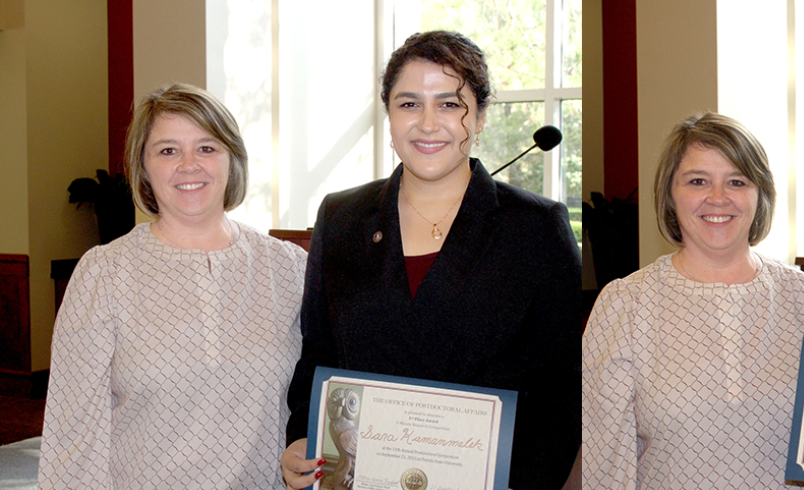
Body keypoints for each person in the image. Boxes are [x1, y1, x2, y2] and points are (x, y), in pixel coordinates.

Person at [279, 31, 581, 490]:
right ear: (389, 115)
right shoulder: (340, 217)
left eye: (449, 104)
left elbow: (562, 390)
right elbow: (318, 354)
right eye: (408, 104)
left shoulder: (536, 228)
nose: (426, 123)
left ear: (479, 117)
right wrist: (303, 436)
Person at [581, 112, 804, 490]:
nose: (718, 197)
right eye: (698, 181)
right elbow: (606, 466)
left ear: (759, 194)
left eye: (737, 181)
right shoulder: (626, 306)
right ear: (669, 193)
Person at [37, 83, 308, 489]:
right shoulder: (104, 276)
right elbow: (73, 436)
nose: (188, 165)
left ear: (232, 159)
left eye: (206, 147)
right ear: (143, 167)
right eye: (167, 151)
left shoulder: (290, 270)